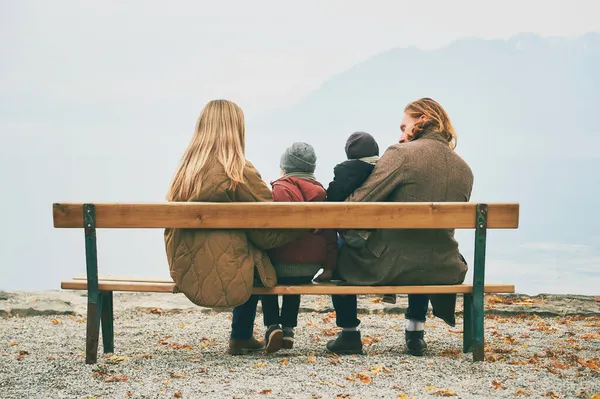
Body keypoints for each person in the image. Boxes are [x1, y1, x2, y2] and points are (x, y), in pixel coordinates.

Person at [326, 98, 474, 356]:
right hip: (443, 266)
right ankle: (415, 332)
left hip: (391, 266)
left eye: (404, 126)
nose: (401, 135)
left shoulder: (400, 155)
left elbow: (356, 204)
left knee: (339, 249)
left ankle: (349, 333)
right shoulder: (464, 169)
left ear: (422, 120)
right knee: (422, 247)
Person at [164, 99, 303, 355]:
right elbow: (266, 227)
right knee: (254, 252)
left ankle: (242, 335)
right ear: (236, 129)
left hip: (187, 265)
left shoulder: (185, 172)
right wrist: (299, 230)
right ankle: (244, 333)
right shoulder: (239, 171)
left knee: (238, 247)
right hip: (232, 270)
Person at [261, 142, 337, 352]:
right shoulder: (321, 193)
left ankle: (272, 325)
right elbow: (330, 235)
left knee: (266, 278)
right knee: (294, 281)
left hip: (278, 266)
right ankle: (288, 330)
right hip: (310, 268)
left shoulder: (278, 190)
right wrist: (328, 267)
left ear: (285, 167)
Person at [325, 132, 396, 305]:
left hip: (355, 236)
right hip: (383, 239)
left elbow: (331, 200)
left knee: (337, 252)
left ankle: (349, 328)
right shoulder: (386, 171)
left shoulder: (346, 172)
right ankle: (392, 287)